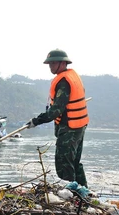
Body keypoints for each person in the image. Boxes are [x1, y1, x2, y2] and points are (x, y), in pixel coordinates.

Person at [26, 49, 89, 189]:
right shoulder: (72, 76)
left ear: (63, 63)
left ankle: (70, 194)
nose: (51, 66)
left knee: (64, 163)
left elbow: (56, 110)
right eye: (49, 64)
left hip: (70, 128)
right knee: (74, 161)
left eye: (53, 63)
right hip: (79, 125)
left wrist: (36, 121)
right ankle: (84, 191)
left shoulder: (64, 81)